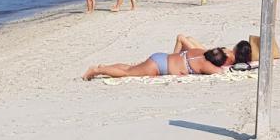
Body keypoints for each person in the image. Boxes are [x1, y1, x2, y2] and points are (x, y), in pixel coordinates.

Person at [83, 46, 231, 80]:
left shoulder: (199, 51)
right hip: (159, 67)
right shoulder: (205, 64)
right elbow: (220, 73)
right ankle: (96, 71)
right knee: (127, 73)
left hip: (161, 58)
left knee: (130, 68)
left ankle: (104, 67)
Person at [172, 34, 252, 66]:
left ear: (238, 48)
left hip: (205, 56)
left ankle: (172, 59)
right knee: (189, 38)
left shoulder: (229, 56)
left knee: (180, 38)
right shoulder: (233, 57)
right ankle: (179, 59)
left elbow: (216, 58)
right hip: (207, 52)